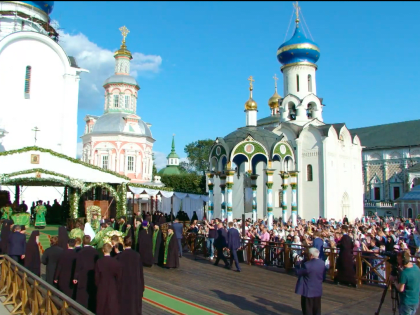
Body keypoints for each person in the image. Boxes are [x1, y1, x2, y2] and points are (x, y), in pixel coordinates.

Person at [116, 236, 144, 315]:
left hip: (123, 284)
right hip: (134, 284)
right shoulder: (137, 255)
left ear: (124, 243)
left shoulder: (120, 256)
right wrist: (141, 286)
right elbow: (140, 272)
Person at [295, 247, 325, 315]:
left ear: (311, 255)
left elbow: (298, 272)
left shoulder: (307, 265)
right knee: (317, 309)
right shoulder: (322, 263)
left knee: (307, 310)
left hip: (308, 291)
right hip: (317, 289)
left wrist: (297, 264)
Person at [73, 235, 99, 312]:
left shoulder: (80, 252)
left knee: (82, 294)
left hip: (82, 276)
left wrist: (75, 277)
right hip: (92, 275)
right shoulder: (95, 252)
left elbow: (78, 266)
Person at [95, 243, 122, 315]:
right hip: (112, 288)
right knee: (111, 308)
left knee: (101, 308)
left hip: (102, 286)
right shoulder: (115, 262)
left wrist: (98, 285)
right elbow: (119, 277)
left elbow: (96, 277)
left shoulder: (99, 262)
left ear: (103, 250)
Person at [390, 251, 420, 315]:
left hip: (406, 302)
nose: (398, 261)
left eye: (398, 259)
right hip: (415, 301)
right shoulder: (416, 267)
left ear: (403, 260)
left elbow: (401, 289)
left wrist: (394, 281)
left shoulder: (404, 273)